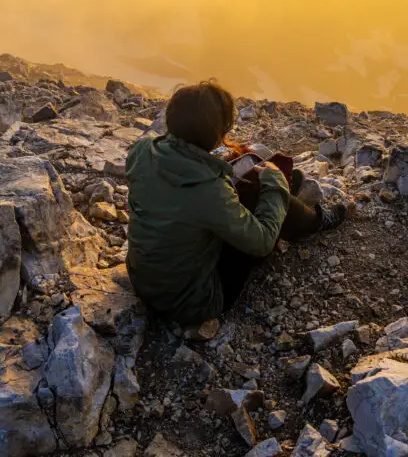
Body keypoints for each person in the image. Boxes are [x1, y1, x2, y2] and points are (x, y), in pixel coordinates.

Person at [125, 80, 347, 327]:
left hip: (143, 277)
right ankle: (313, 222)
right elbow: (262, 242)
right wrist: (273, 182)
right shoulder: (209, 191)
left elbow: (175, 192)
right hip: (192, 301)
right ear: (216, 132)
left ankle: (290, 199)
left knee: (266, 183)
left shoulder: (143, 150)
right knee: (266, 189)